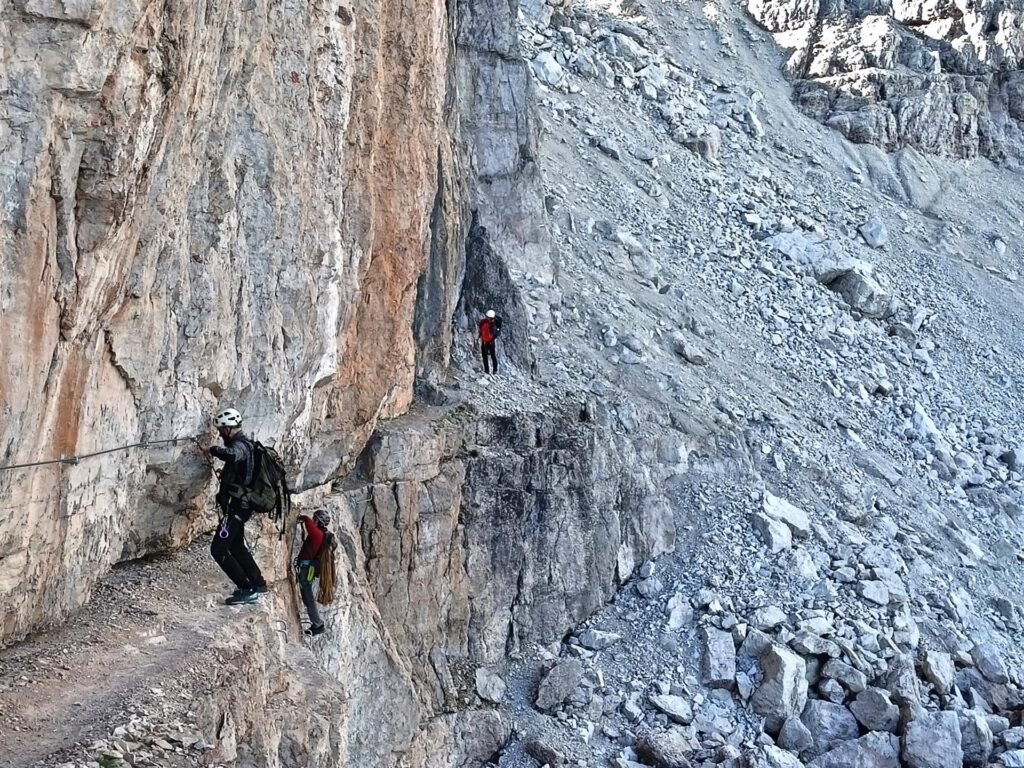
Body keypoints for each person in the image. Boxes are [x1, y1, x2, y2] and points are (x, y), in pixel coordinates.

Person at [199, 408, 268, 605]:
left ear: (229, 429)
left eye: (222, 430)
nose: (220, 434)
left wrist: (211, 450)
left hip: (239, 506)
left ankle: (247, 588)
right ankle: (258, 582)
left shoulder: (241, 445)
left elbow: (233, 455)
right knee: (236, 545)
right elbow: (241, 469)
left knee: (218, 549)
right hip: (242, 505)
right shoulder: (249, 444)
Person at [294, 509, 333, 636]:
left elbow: (309, 525)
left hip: (307, 567)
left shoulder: (318, 534)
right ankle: (316, 623)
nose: (313, 519)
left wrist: (304, 517)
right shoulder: (321, 534)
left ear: (318, 521)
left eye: (314, 518)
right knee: (306, 594)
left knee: (307, 594)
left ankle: (317, 623)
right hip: (308, 566)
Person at [478, 309, 502, 375]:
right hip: (485, 341)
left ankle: (494, 370)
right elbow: (481, 330)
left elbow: (496, 334)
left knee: (492, 356)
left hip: (490, 342)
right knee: (485, 356)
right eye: (487, 317)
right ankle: (487, 370)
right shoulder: (484, 322)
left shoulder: (494, 325)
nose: (487, 318)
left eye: (489, 317)